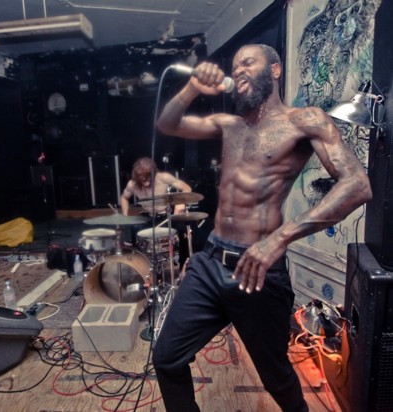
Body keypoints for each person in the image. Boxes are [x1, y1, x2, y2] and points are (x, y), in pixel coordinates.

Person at [152, 44, 372, 411]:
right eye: (235, 65)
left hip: (257, 270)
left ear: (275, 70)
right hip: (210, 262)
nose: (238, 70)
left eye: (248, 62)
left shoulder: (306, 120)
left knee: (277, 379)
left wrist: (281, 237)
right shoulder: (230, 125)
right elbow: (168, 124)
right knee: (166, 358)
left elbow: (357, 185)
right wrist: (192, 88)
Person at [120, 157, 192, 265]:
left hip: (165, 216)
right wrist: (125, 215)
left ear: (153, 172)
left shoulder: (163, 177)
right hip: (147, 217)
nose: (144, 179)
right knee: (134, 228)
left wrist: (180, 203)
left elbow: (186, 188)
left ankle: (184, 267)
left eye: (147, 175)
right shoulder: (132, 184)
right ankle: (141, 266)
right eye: (141, 176)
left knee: (182, 229)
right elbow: (124, 197)